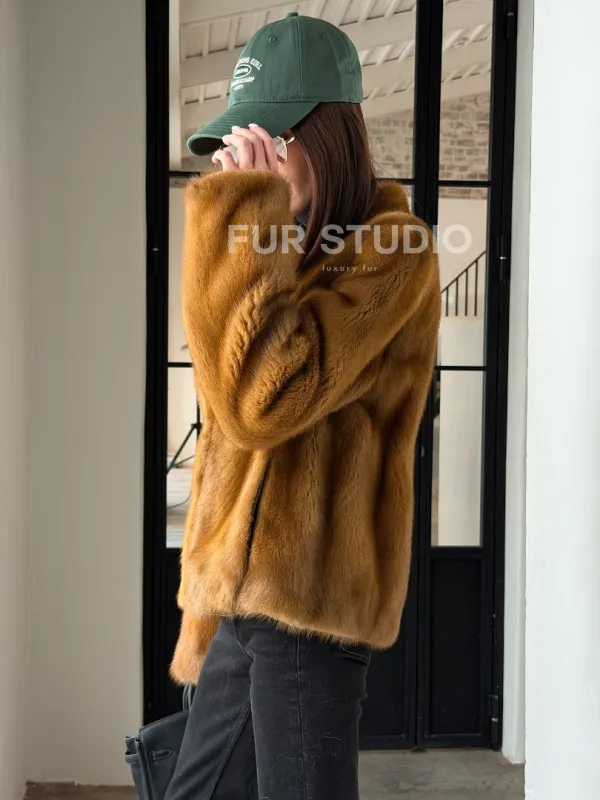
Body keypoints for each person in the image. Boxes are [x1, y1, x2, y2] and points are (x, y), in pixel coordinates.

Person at [165, 12, 441, 800]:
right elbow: (226, 398)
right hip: (238, 604)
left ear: (323, 137)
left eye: (267, 139)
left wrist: (243, 217)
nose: (247, 161)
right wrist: (246, 231)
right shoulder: (282, 251)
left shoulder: (393, 255)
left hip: (311, 610)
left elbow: (265, 401)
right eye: (239, 146)